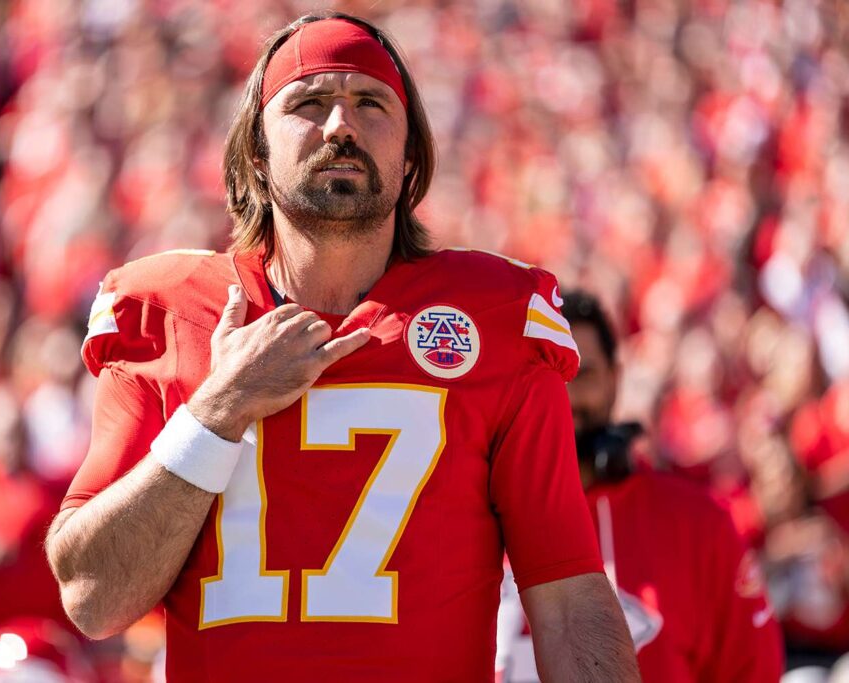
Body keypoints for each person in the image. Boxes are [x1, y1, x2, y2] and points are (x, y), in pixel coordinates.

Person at [45, 12, 639, 681]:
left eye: (370, 103)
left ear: (410, 155)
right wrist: (217, 410)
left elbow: (567, 596)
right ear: (256, 153)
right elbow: (93, 598)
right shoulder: (169, 309)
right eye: (309, 102)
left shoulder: (496, 316)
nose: (340, 125)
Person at [496, 290, 784, 682]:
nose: (563, 396)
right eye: (542, 376)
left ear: (616, 379)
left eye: (581, 374)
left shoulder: (700, 525)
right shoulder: (465, 522)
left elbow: (754, 672)